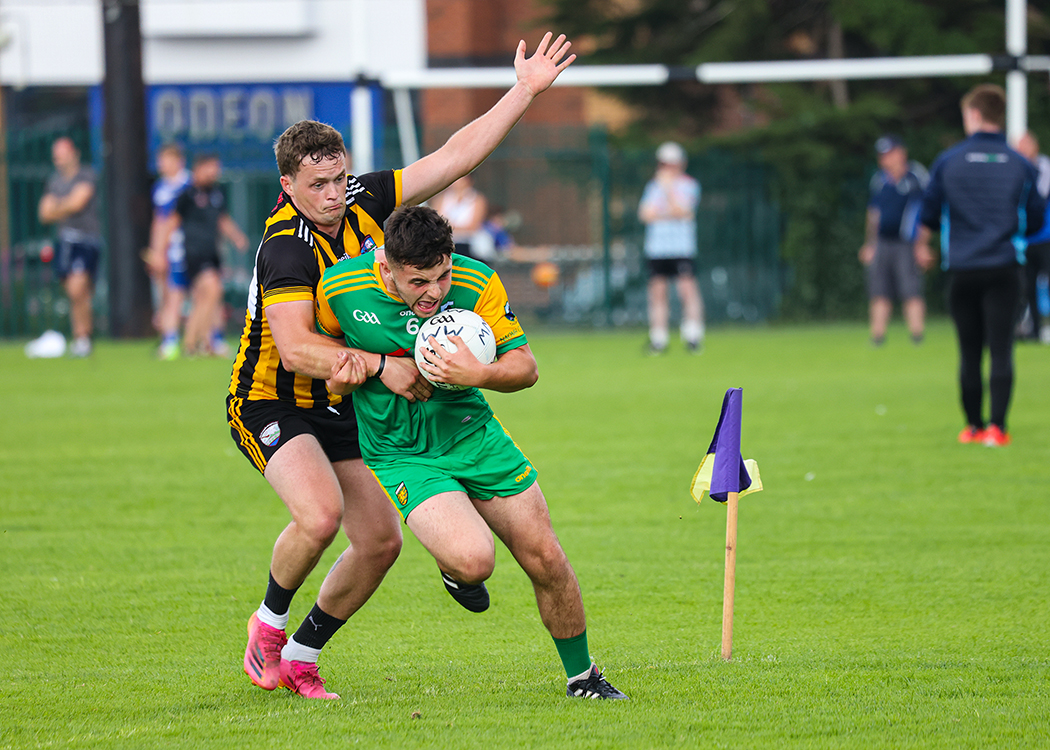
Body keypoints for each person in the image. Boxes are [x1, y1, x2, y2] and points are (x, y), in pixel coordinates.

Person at [226, 32, 576, 700]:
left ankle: (301, 655)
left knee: (382, 541)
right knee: (320, 517)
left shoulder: (363, 200)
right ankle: (268, 626)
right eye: (317, 184)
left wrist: (524, 91)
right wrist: (384, 366)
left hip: (341, 399)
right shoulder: (284, 248)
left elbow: (452, 156)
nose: (333, 194)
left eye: (339, 179)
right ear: (288, 186)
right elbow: (297, 348)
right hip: (274, 399)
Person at [316, 204, 628, 700]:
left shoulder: (478, 281)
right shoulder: (339, 288)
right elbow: (327, 360)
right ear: (387, 267)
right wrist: (349, 373)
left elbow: (525, 367)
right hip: (402, 454)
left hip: (474, 435)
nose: (435, 293)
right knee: (474, 561)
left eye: (441, 276)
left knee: (546, 556)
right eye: (419, 282)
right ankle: (455, 568)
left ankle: (582, 677)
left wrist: (478, 375)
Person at [915, 84, 1046, 447]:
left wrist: (923, 246)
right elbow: (1035, 219)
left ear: (973, 114)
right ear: (999, 115)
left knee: (969, 351)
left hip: (963, 267)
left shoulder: (948, 161)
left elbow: (928, 213)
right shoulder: (1021, 164)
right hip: (1005, 266)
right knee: (1002, 349)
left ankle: (972, 427)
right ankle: (998, 429)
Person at [154, 154, 248, 357]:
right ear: (198, 168)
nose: (215, 173)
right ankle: (196, 340)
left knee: (206, 298)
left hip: (211, 252)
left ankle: (195, 341)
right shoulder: (187, 195)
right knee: (211, 290)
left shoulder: (217, 194)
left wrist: (237, 237)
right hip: (193, 252)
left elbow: (222, 219)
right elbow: (171, 222)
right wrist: (161, 252)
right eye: (211, 168)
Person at [858, 135, 929, 346]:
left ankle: (917, 336)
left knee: (911, 289)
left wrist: (922, 244)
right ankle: (877, 336)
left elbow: (927, 212)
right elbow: (873, 213)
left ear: (900, 153)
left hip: (907, 243)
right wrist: (870, 244)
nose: (884, 159)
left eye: (888, 154)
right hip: (883, 242)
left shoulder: (916, 176)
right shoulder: (879, 179)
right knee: (879, 290)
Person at [37, 136, 103, 358]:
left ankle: (83, 336)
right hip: (64, 241)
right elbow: (44, 213)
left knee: (78, 288)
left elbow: (78, 202)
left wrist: (58, 205)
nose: (58, 160)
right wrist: (65, 206)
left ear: (73, 153)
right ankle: (81, 335)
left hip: (86, 239)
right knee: (75, 292)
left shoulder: (86, 175)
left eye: (62, 154)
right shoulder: (54, 181)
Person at [638, 141, 704, 354]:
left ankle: (693, 335)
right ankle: (658, 339)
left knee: (687, 290)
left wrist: (667, 191)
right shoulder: (653, 185)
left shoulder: (689, 185)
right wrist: (667, 212)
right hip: (657, 248)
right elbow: (646, 214)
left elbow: (683, 211)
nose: (666, 168)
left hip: (681, 247)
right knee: (658, 293)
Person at [143, 143, 192, 359]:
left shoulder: (189, 184)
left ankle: (207, 338)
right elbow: (158, 221)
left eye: (166, 160)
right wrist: (155, 251)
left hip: (188, 246)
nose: (161, 165)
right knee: (169, 293)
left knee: (196, 292)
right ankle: (170, 338)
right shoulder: (160, 188)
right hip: (168, 249)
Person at [1014, 131, 1050, 343]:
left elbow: (1039, 195)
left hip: (1046, 237)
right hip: (1024, 239)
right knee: (1027, 287)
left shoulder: (1044, 167)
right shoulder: (1014, 170)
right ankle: (1034, 330)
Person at [430, 173, 488, 259]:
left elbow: (474, 226)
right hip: (445, 239)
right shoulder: (441, 199)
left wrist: (448, 228)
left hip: (468, 241)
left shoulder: (478, 199)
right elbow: (435, 221)